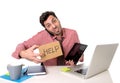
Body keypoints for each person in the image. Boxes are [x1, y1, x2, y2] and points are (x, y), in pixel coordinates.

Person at [12, 11, 84, 66]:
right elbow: (22, 45)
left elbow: (79, 56)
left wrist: (78, 57)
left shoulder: (72, 33)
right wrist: (22, 53)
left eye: (54, 21)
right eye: (48, 25)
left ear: (58, 20)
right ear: (45, 28)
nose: (53, 26)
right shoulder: (41, 36)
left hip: (69, 71)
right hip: (49, 74)